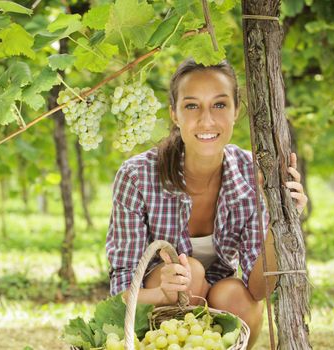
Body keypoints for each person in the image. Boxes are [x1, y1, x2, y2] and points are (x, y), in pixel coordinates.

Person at [105, 58, 308, 348]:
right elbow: (120, 292)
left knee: (235, 294)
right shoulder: (136, 176)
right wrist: (161, 292)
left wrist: (282, 221)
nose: (207, 120)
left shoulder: (254, 175)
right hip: (155, 305)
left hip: (217, 298)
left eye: (220, 104)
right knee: (191, 274)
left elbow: (259, 288)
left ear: (236, 111)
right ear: (174, 114)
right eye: (191, 106)